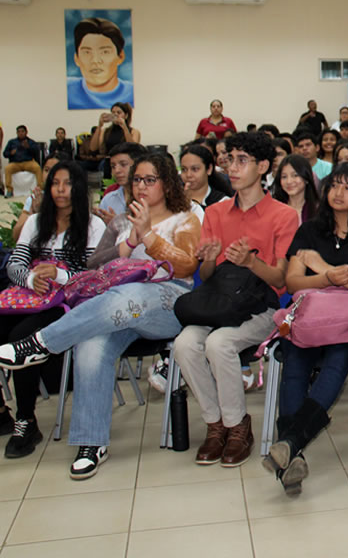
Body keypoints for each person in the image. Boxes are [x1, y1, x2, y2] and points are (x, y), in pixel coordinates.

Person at [2, 154, 199, 478]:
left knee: (131, 294)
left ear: (166, 183)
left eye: (150, 179)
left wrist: (148, 236)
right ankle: (92, 443)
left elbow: (187, 265)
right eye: (137, 179)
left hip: (168, 301)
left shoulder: (185, 218)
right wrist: (130, 241)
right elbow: (95, 265)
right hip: (117, 308)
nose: (142, 186)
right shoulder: (122, 221)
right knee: (91, 342)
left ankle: (41, 343)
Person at [264, 161, 348, 495]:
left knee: (336, 358)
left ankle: (289, 443)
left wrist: (326, 270)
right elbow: (292, 281)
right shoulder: (309, 230)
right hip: (310, 317)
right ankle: (292, 453)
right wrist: (327, 277)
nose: (338, 192)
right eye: (334, 184)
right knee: (295, 362)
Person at [174, 132, 299, 468]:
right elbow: (209, 277)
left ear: (262, 167)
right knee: (185, 343)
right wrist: (211, 258)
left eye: (242, 160)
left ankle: (237, 426)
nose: (233, 166)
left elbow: (280, 281)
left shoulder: (283, 215)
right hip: (222, 302)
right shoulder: (216, 213)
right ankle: (216, 425)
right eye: (230, 159)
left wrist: (251, 262)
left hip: (262, 306)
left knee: (219, 344)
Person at [0, 161, 106, 459]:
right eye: (55, 183)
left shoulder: (93, 225)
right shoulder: (35, 222)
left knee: (22, 337)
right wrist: (32, 278)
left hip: (66, 303)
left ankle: (25, 420)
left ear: (80, 188)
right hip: (29, 296)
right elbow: (14, 265)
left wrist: (58, 276)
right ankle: (3, 412)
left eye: (68, 183)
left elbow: (93, 278)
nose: (60, 190)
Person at [66, 17, 134, 110]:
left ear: (120, 56)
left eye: (105, 52)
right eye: (87, 52)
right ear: (76, 58)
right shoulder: (66, 89)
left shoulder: (132, 93)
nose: (95, 60)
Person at [13, 153, 65, 241]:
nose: (49, 175)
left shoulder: (69, 199)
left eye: (55, 170)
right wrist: (34, 214)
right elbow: (16, 236)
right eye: (46, 170)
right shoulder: (35, 199)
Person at [95, 143, 148, 226]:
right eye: (113, 166)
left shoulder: (151, 197)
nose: (117, 171)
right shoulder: (109, 199)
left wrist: (118, 225)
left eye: (123, 164)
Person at [179, 145, 230, 212]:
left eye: (195, 169)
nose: (188, 175)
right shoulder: (173, 199)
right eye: (184, 169)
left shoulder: (223, 202)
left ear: (209, 169)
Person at [272, 155, 320, 224]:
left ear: (306, 178)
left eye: (295, 175)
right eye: (284, 177)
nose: (289, 181)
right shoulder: (274, 209)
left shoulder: (318, 210)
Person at [3, 125, 42, 194]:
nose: (21, 133)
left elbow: (36, 152)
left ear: (26, 132)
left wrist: (28, 147)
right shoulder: (12, 142)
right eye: (19, 132)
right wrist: (11, 153)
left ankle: (40, 189)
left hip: (28, 162)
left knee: (37, 168)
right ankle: (9, 190)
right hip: (15, 163)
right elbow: (5, 154)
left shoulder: (31, 142)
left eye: (22, 131)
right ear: (17, 133)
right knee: (7, 169)